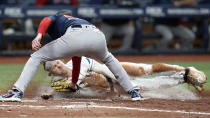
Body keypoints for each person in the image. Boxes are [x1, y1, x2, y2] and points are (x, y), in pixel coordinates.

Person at [0, 10, 142, 102]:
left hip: (76, 34)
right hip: (97, 35)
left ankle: (17, 92)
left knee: (36, 57)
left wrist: (38, 36)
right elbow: (76, 58)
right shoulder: (76, 20)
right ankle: (133, 91)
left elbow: (46, 20)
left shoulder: (59, 17)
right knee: (109, 59)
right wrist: (73, 82)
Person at [44, 56, 206, 93]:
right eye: (55, 67)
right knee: (143, 87)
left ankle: (184, 69)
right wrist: (52, 94)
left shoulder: (76, 61)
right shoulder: (59, 82)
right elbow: (97, 84)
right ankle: (185, 77)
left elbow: (94, 72)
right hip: (111, 85)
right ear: (52, 73)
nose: (58, 65)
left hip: (113, 68)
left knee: (145, 70)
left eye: (57, 62)